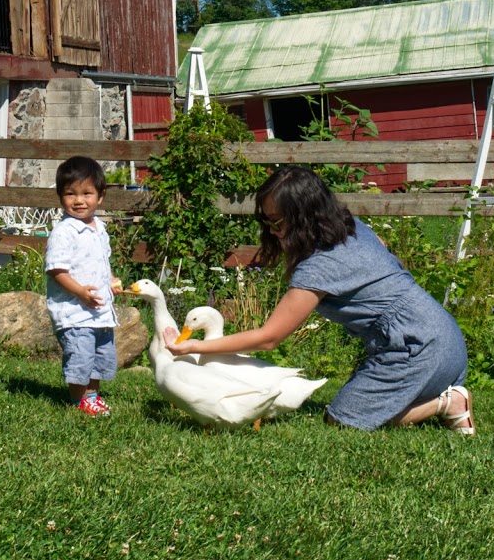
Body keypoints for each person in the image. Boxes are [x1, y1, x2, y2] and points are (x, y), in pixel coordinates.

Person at [164, 166, 474, 434]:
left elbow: (268, 338)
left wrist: (192, 346)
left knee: (341, 420)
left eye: (277, 223)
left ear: (303, 218)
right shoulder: (351, 227)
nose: (272, 232)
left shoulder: (319, 266)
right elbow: (386, 251)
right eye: (267, 223)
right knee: (366, 402)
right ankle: (428, 394)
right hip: (444, 335)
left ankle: (447, 403)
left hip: (418, 347)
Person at [45, 156, 123, 417]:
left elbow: (101, 261)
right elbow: (57, 270)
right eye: (70, 194)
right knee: (81, 357)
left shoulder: (99, 227)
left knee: (99, 356)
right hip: (74, 312)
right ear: (60, 197)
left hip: (99, 312)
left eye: (87, 193)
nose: (79, 200)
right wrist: (79, 291)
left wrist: (110, 281)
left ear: (100, 197)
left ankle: (92, 396)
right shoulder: (64, 232)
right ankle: (79, 401)